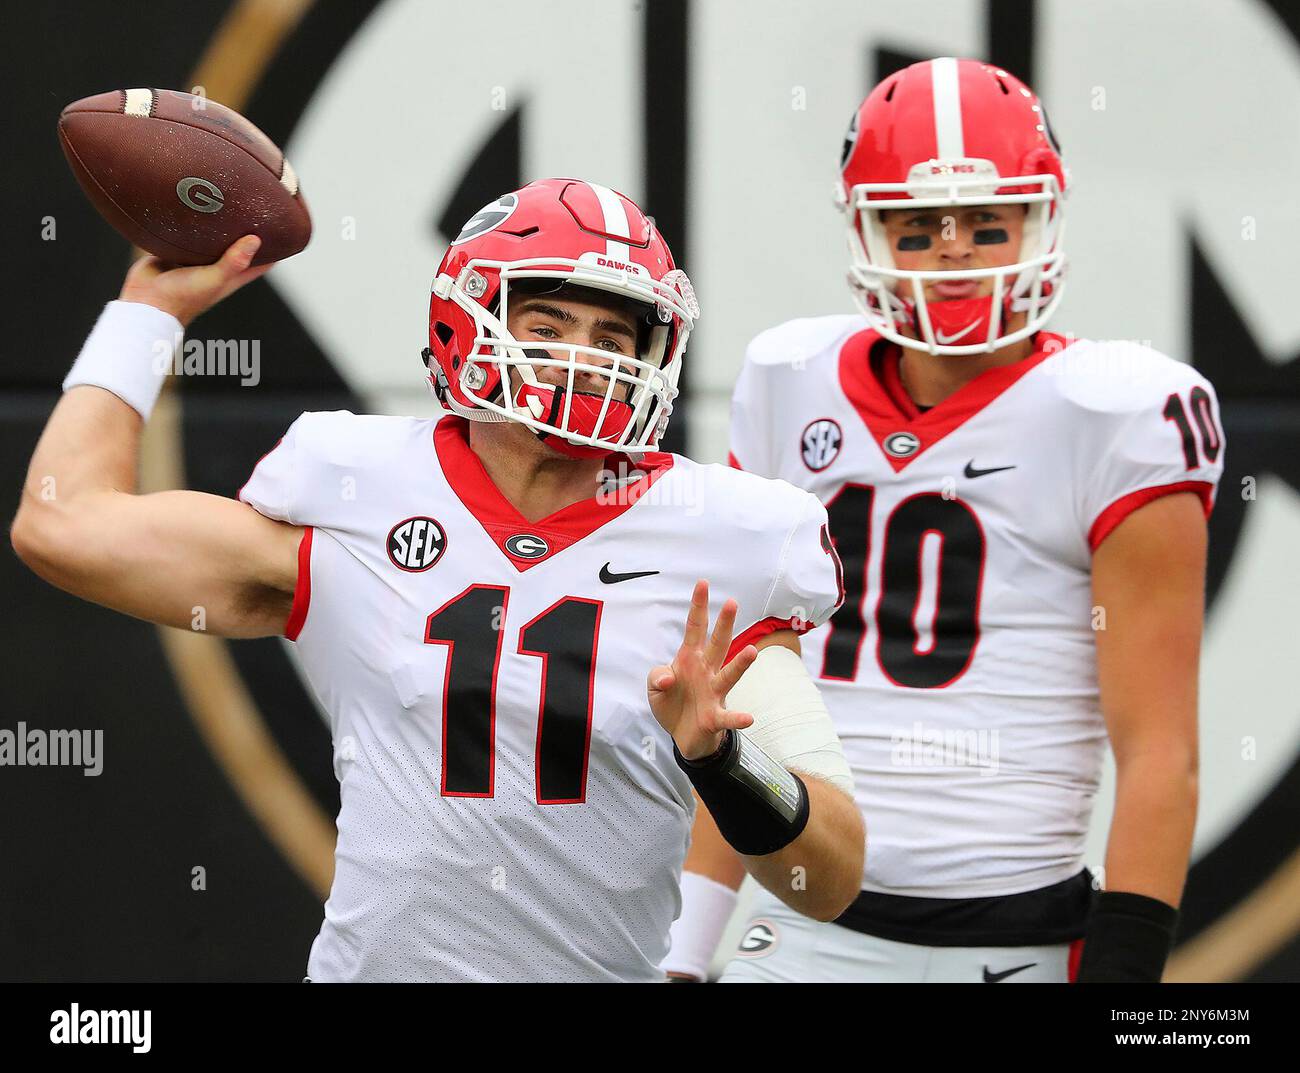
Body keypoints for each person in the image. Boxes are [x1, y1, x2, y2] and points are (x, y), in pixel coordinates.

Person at [12, 177, 864, 982]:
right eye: (550, 322)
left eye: (613, 337)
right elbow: (62, 523)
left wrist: (723, 761)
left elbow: (828, 881)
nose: (584, 358)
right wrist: (147, 314)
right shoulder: (356, 491)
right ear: (469, 322)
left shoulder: (725, 540)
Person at [664, 59, 1222, 984]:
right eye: (917, 228)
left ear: (1041, 220)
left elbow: (1161, 749)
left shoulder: (1120, 409)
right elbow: (737, 701)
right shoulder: (787, 379)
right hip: (801, 923)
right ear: (866, 228)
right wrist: (683, 947)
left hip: (1019, 939)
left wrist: (1125, 983)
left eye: (989, 224)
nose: (954, 252)